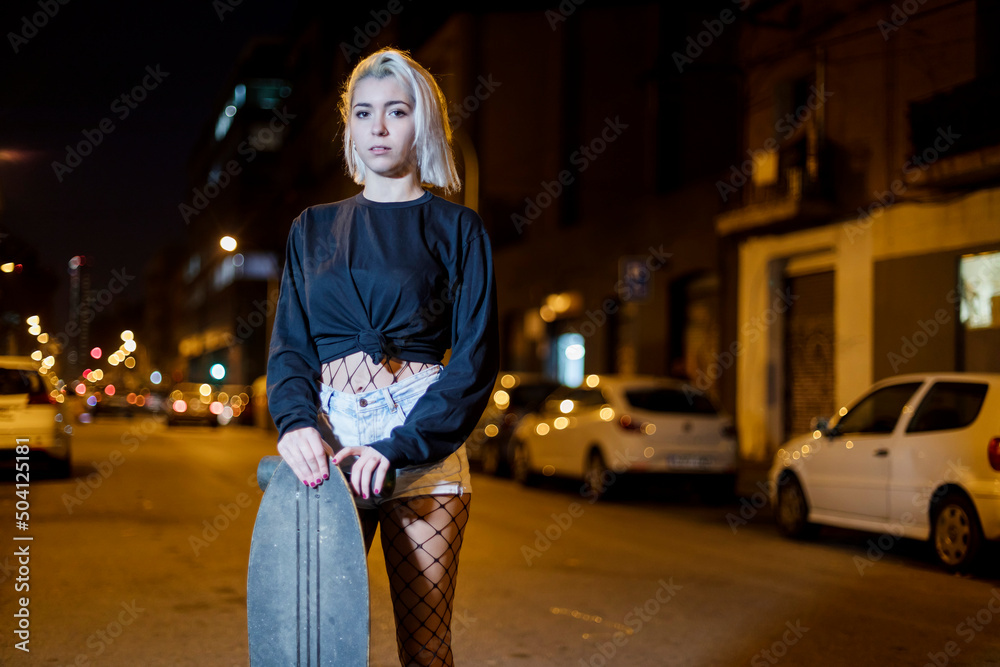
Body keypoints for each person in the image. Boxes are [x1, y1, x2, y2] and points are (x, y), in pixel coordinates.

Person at [266, 46, 500, 667]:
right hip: (331, 440)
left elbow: (476, 358)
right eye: (364, 112)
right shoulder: (311, 228)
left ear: (421, 122)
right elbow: (290, 346)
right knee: (315, 645)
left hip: (421, 442)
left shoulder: (459, 229)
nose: (378, 127)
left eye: (395, 111)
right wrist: (295, 422)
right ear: (349, 126)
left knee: (424, 646)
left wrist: (398, 447)